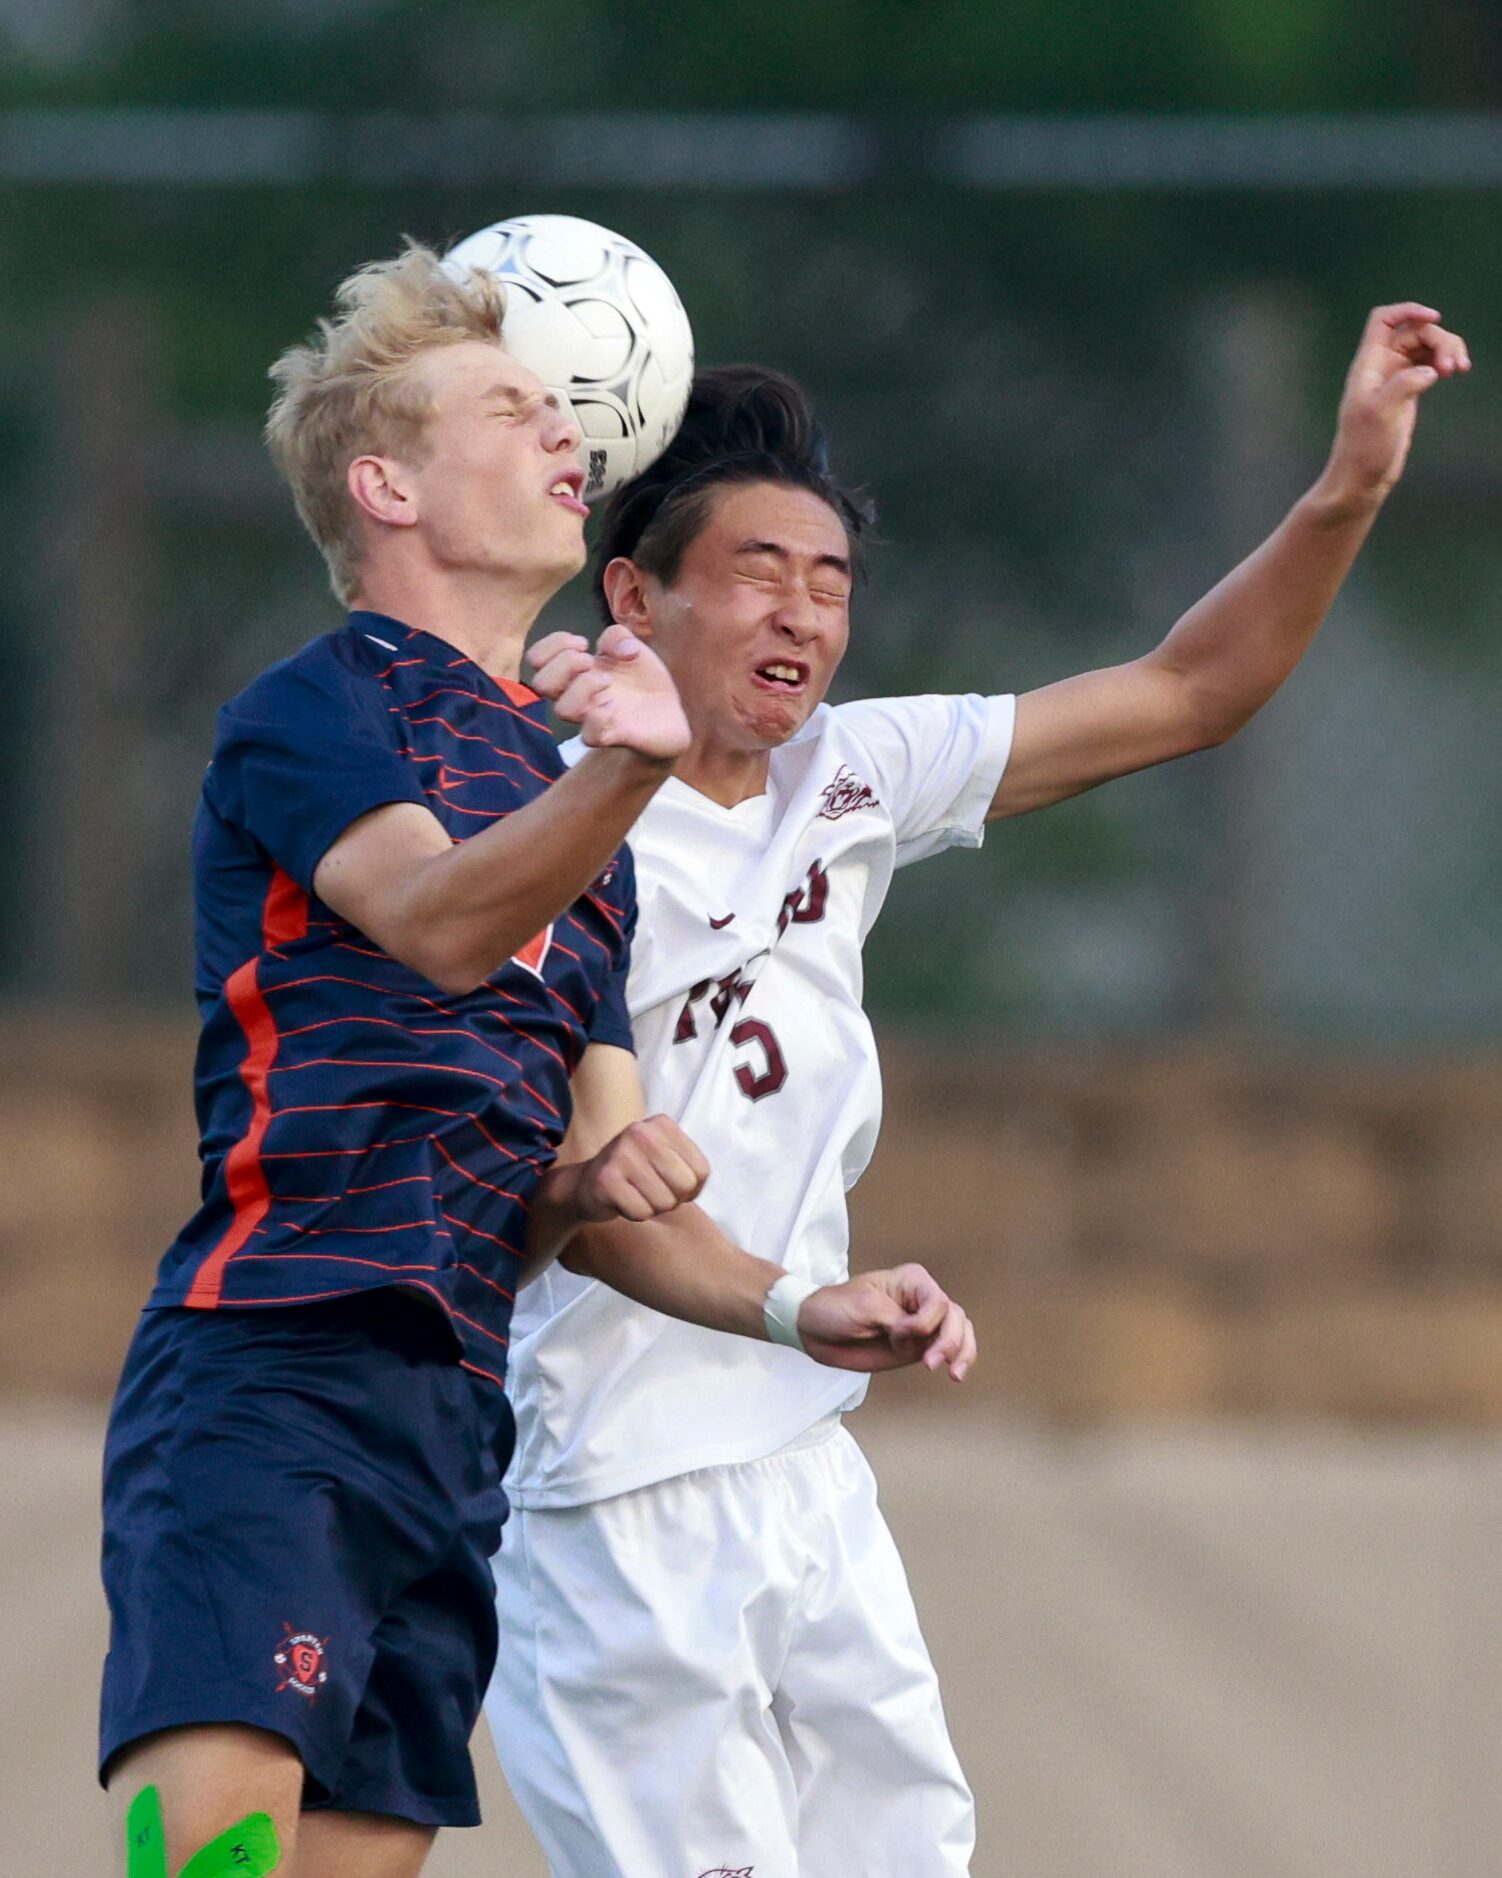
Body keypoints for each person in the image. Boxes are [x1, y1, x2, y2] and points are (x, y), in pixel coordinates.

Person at [486, 304, 1471, 1877]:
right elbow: (590, 1212)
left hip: (802, 1461)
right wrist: (805, 1301)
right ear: (632, 592)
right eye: (756, 569)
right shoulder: (543, 842)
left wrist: (1346, 481)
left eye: (830, 581)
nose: (801, 611)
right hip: (614, 1481)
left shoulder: (853, 774)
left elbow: (1187, 690)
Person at [98, 243, 975, 1878]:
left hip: (456, 1420)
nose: (567, 429)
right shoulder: (317, 707)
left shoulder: (584, 798)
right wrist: (620, 776)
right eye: (510, 406)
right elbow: (435, 916)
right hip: (278, 1364)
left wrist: (760, 1280)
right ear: (388, 482)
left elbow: (584, 1197)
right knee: (212, 1854)